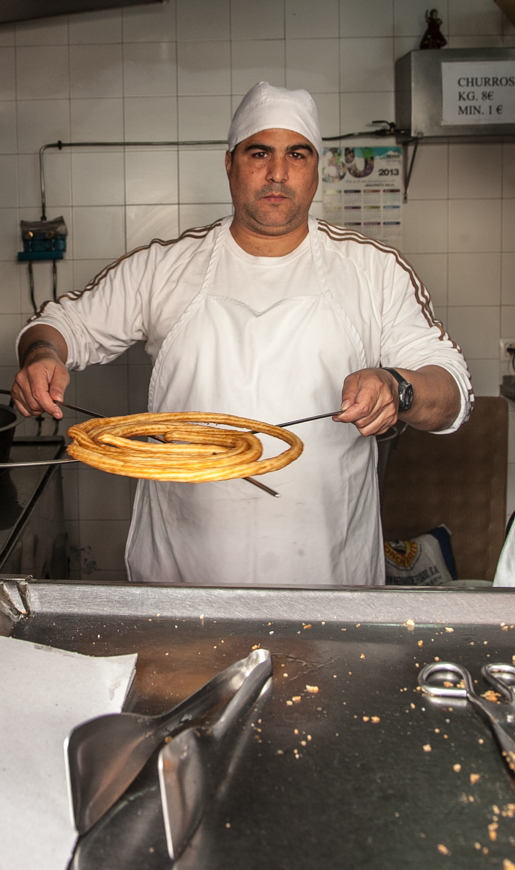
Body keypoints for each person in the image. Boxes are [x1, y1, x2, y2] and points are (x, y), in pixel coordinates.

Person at [12, 82, 473, 587]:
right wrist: (42, 356)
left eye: (297, 154)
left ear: (317, 169)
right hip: (180, 576)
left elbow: (452, 391)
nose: (277, 172)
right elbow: (59, 324)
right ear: (230, 163)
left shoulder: (374, 270)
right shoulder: (164, 267)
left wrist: (398, 388)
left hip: (329, 577)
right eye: (259, 153)